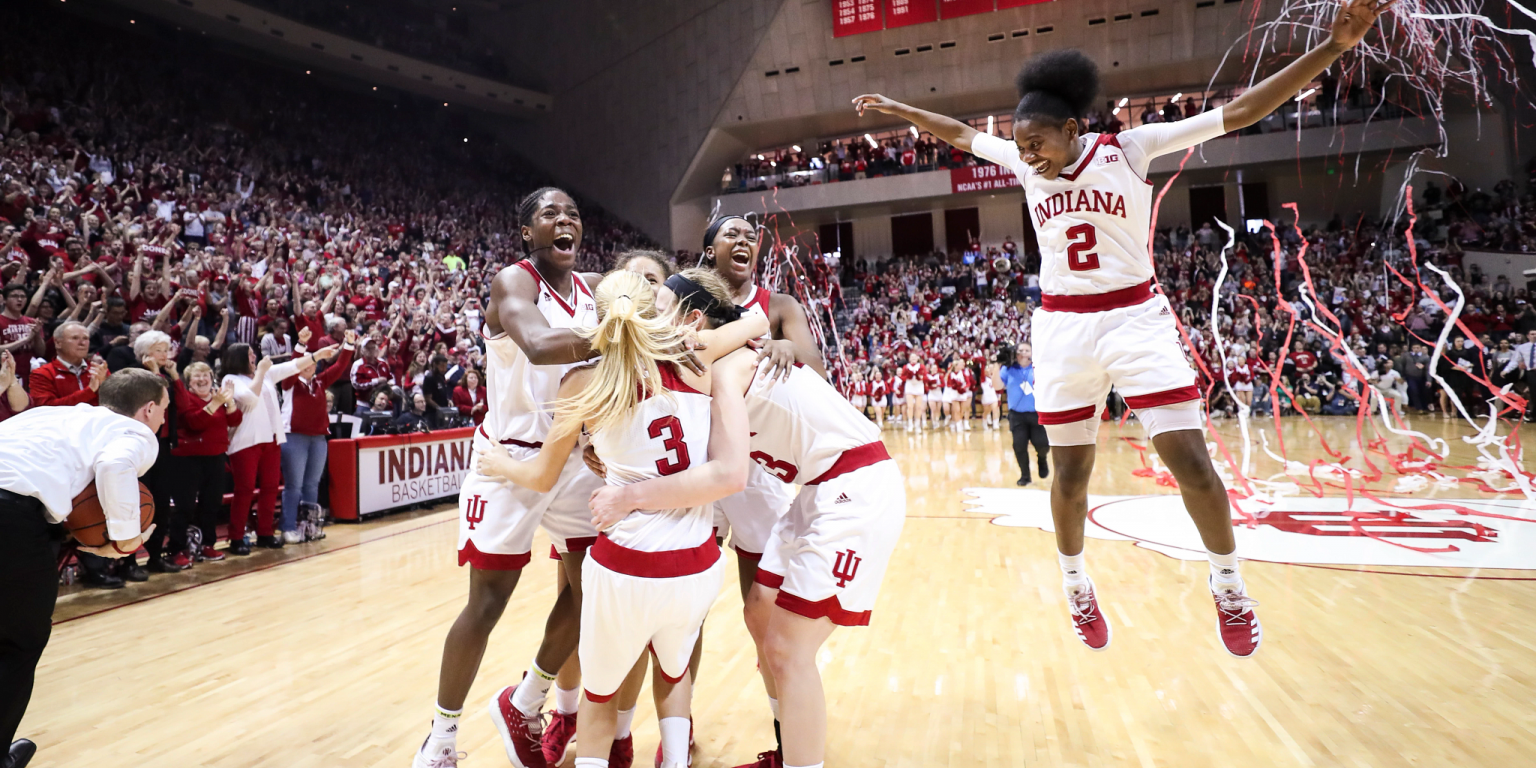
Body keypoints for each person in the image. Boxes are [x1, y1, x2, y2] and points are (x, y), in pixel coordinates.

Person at [853, 0, 1392, 657]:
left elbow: (1240, 112)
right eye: (1020, 146)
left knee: (1190, 461)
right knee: (1070, 475)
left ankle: (1229, 586)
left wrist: (1333, 48)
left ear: (1073, 128)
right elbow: (961, 135)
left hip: (1136, 317)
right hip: (1063, 328)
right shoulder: (1027, 163)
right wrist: (903, 111)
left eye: (1037, 143)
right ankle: (1076, 585)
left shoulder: (1130, 148)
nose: (1027, 155)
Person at [475, 269, 765, 768]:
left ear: (597, 319)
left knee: (600, 696)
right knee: (674, 677)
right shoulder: (695, 359)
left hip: (626, 564)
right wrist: (692, 333)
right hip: (696, 560)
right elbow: (754, 320)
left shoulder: (581, 382)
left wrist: (499, 463)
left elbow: (543, 477)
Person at [630, 277, 906, 768]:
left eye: (662, 307)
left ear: (693, 323)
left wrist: (632, 494)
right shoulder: (721, 359)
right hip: (820, 488)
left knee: (786, 649)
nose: (652, 317)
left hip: (857, 488)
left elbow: (729, 474)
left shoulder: (726, 368)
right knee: (759, 611)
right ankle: (790, 747)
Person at [415, 188, 610, 768]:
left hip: (572, 457)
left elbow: (655, 287)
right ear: (528, 232)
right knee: (488, 603)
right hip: (507, 460)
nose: (565, 220)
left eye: (573, 213)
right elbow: (542, 345)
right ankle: (442, 739)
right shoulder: (514, 281)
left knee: (592, 589)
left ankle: (527, 698)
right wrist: (623, 332)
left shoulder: (593, 289)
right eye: (551, 214)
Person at [0, 368, 168, 768]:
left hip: (16, 507)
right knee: (18, 642)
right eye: (163, 409)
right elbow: (114, 465)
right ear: (147, 409)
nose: (163, 419)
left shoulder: (48, 416)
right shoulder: (135, 433)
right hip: (11, 517)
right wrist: (126, 540)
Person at [225, 342, 339, 554]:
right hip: (245, 443)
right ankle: (236, 537)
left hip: (271, 440)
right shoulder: (230, 380)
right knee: (245, 490)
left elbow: (294, 366)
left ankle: (266, 533)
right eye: (250, 354)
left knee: (270, 488)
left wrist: (317, 355)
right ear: (239, 358)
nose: (254, 357)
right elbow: (249, 399)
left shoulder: (266, 375)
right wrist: (260, 372)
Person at [280, 330, 355, 544]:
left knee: (311, 484)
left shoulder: (320, 382)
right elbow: (293, 365)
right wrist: (300, 345)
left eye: (312, 363)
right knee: (294, 485)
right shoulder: (289, 383)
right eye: (305, 363)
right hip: (295, 437)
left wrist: (349, 344)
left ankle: (309, 525)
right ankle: (288, 527)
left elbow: (340, 367)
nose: (309, 366)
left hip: (318, 438)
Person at [168, 362, 240, 563]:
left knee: (211, 503)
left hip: (215, 456)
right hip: (187, 458)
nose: (202, 380)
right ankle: (176, 549)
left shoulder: (217, 398)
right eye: (196, 377)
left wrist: (230, 401)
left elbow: (234, 420)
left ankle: (207, 544)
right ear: (189, 383)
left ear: (211, 378)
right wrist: (216, 404)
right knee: (185, 506)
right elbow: (193, 423)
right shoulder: (186, 398)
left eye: (205, 376)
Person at [996, 344, 1049, 486]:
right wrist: (997, 365)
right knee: (1019, 445)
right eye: (1020, 351)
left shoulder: (1038, 368)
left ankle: (1042, 459)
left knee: (1042, 444)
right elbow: (997, 386)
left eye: (1027, 350)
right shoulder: (1008, 369)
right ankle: (1025, 475)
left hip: (1037, 413)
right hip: (1017, 415)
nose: (1023, 353)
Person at [979, 359, 1001, 430]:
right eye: (988, 369)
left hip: (993, 396)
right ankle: (984, 423)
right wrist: (983, 362)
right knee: (986, 411)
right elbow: (982, 369)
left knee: (995, 409)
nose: (989, 370)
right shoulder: (983, 379)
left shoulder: (993, 377)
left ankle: (995, 424)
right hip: (986, 397)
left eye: (991, 369)